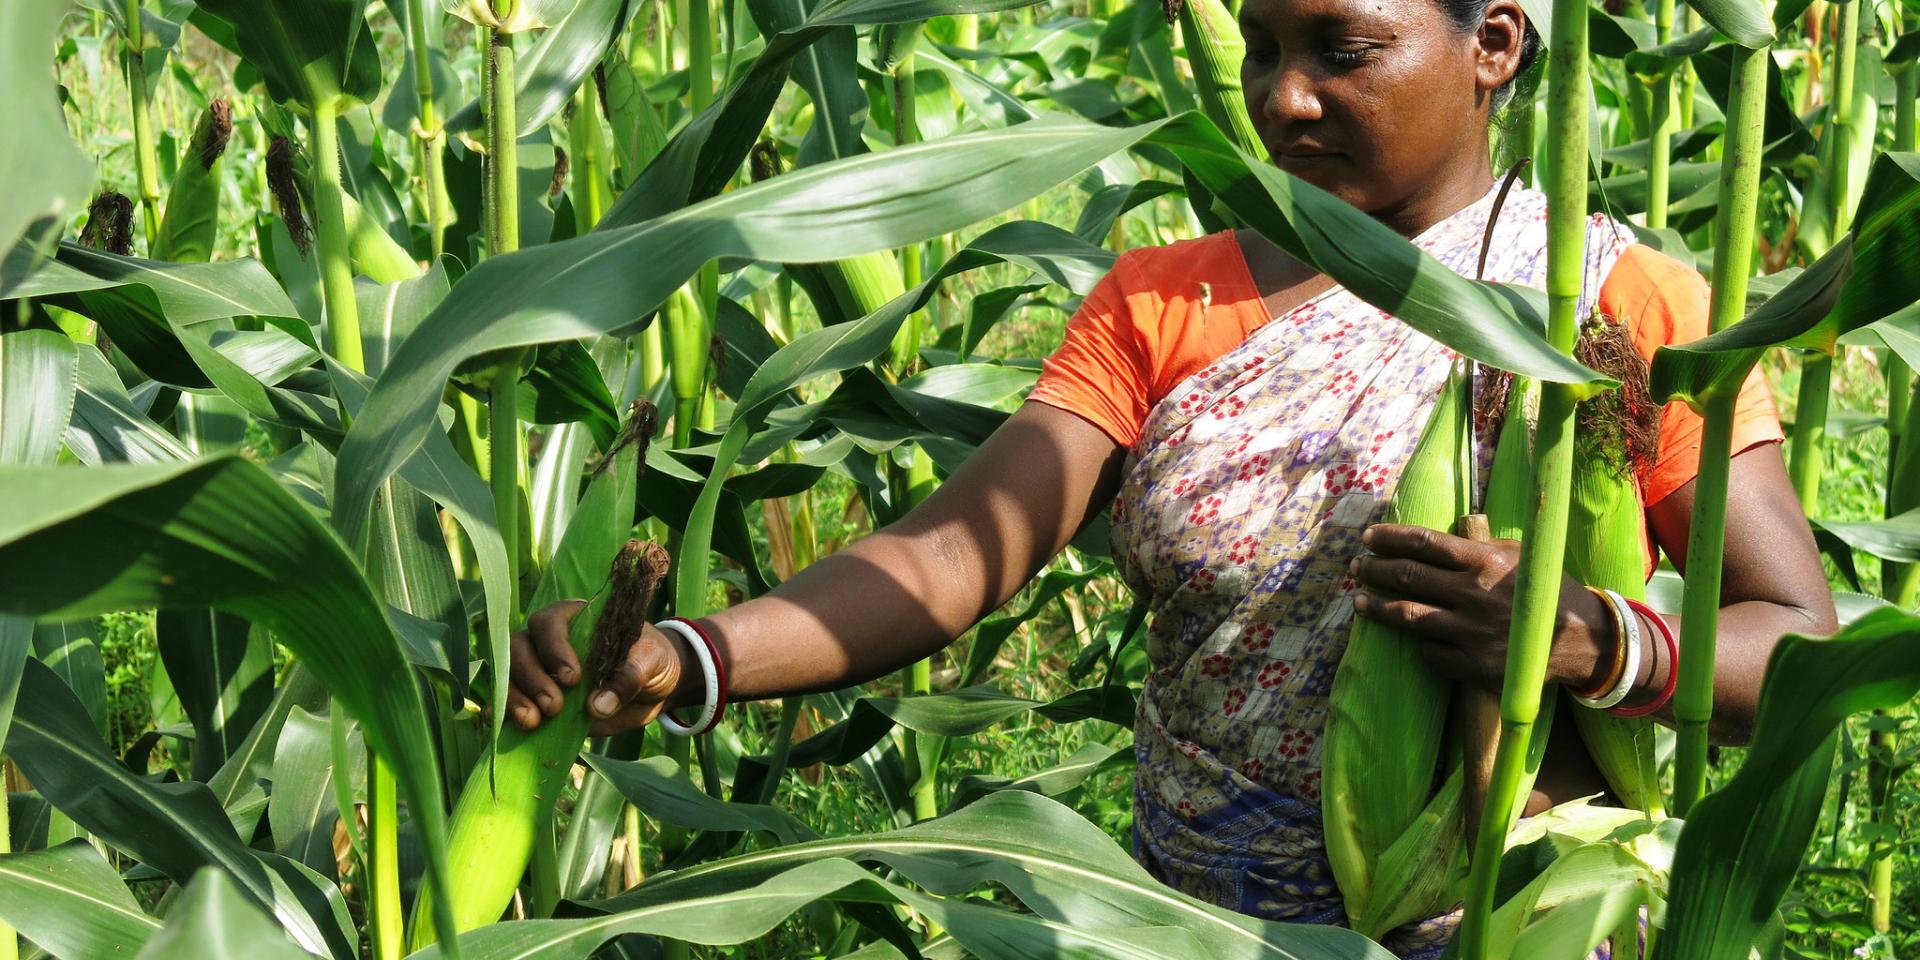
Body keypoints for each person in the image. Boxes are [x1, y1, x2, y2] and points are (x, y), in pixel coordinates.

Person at [504, 0, 1838, 953]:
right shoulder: (1163, 302)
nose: (1280, 96)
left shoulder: (1617, 307)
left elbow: (1797, 647)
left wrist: (1587, 640)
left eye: (1340, 50)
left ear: (1494, 45)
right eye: (1261, 48)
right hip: (1194, 924)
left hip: (1525, 921)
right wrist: (693, 651)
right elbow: (955, 552)